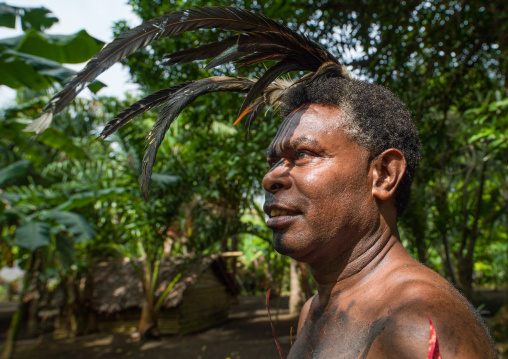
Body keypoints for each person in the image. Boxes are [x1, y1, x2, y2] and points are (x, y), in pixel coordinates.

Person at [262, 76, 497, 358]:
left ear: (384, 175)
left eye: (302, 153)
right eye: (274, 161)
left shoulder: (417, 322)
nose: (271, 177)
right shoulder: (312, 310)